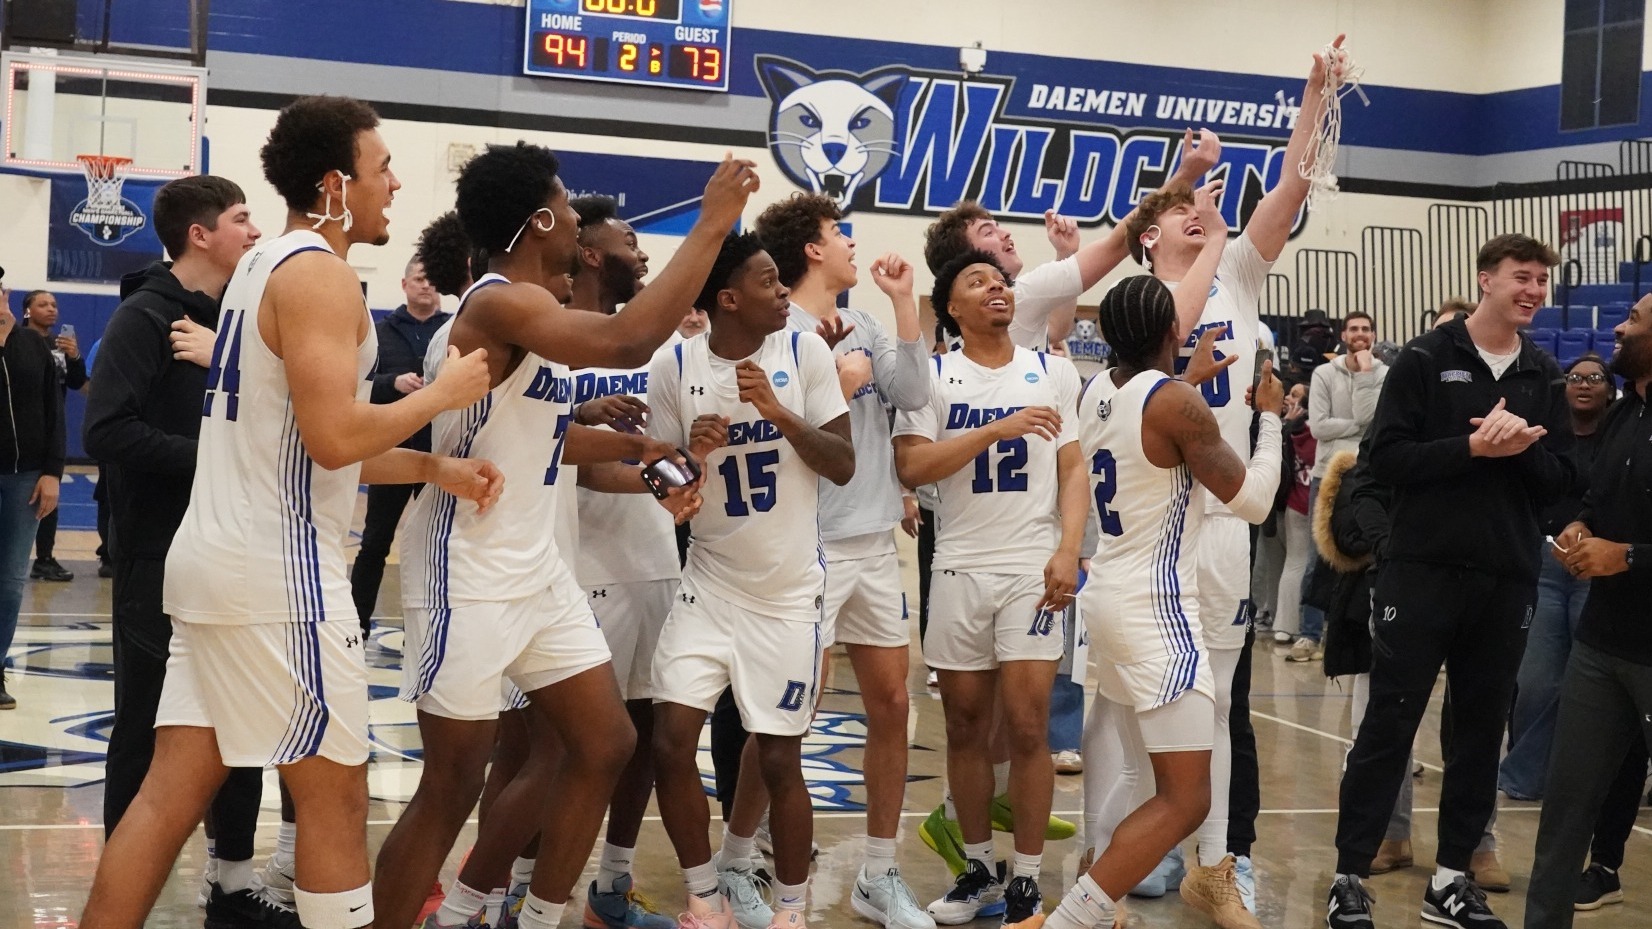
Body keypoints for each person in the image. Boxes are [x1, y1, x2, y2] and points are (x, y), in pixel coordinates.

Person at [77, 94, 502, 929]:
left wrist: (431, 465)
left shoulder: (259, 270)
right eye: (382, 169)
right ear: (337, 185)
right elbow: (336, 434)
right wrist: (444, 394)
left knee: (167, 793)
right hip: (276, 571)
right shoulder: (317, 273)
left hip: (216, 560)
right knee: (336, 792)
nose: (396, 184)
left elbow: (306, 443)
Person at [374, 146, 754, 929]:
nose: (579, 220)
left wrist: (638, 450)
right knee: (452, 783)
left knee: (605, 740)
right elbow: (625, 344)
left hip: (537, 571)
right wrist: (712, 223)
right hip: (466, 570)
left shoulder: (530, 308)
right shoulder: (495, 303)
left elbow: (542, 434)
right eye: (566, 206)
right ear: (542, 218)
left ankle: (538, 916)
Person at [1124, 37, 1350, 917]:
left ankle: (1224, 856)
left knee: (1224, 699)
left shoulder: (1237, 275)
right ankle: (1136, 845)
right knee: (1134, 701)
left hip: (1219, 519)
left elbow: (1292, 183)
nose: (1202, 214)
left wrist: (1317, 96)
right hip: (1143, 523)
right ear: (1148, 237)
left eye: (1204, 208)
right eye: (1181, 210)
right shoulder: (1132, 307)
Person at [1325, 233, 1574, 929]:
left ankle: (1450, 879)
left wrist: (1519, 451)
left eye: (1540, 282)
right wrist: (1471, 446)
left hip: (1506, 580)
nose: (1532, 291)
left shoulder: (1544, 374)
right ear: (1485, 279)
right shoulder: (1425, 360)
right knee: (1389, 725)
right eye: (1521, 277)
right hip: (1421, 573)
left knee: (1478, 734)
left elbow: (1560, 486)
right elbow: (1386, 459)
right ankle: (1349, 876)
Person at [1021, 271, 1282, 929]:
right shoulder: (1174, 403)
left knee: (1135, 773)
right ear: (1175, 330)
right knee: (1187, 797)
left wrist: (1183, 382)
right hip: (1157, 611)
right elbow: (1251, 500)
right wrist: (1272, 417)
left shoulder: (1098, 391)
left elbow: (1150, 435)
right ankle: (1071, 920)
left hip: (1105, 598)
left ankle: (1083, 899)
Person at [80, 174, 294, 926]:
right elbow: (103, 431)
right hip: (157, 558)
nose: (254, 231)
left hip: (230, 555)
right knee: (144, 731)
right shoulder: (145, 316)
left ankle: (232, 886)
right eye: (241, 219)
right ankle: (120, 890)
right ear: (199, 234)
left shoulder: (236, 318)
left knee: (235, 724)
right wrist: (211, 456)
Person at [647, 230, 854, 929]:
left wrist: (778, 412)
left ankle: (791, 909)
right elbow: (664, 482)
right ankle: (705, 894)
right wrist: (690, 458)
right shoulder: (674, 365)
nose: (783, 292)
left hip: (787, 593)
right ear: (728, 298)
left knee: (777, 755)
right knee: (669, 740)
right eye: (768, 282)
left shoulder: (804, 351)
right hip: (709, 583)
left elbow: (844, 462)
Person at [755, 192, 933, 929]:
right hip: (809, 542)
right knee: (788, 710)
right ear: (810, 250)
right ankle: (754, 851)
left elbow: (917, 391)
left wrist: (902, 305)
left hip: (873, 541)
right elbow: (772, 421)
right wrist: (835, 374)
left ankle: (880, 871)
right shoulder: (774, 325)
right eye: (838, 233)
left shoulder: (863, 317)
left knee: (892, 704)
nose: (851, 241)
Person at [893, 250, 1086, 926]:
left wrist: (1069, 548)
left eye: (1000, 279)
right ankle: (979, 870)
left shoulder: (1054, 371)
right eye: (978, 282)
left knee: (1030, 724)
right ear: (952, 307)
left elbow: (1073, 472)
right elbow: (912, 464)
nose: (996, 286)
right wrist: (994, 430)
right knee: (966, 724)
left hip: (1031, 567)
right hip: (957, 565)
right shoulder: (935, 378)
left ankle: (1028, 880)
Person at [1524, 295, 1652, 929]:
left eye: (1635, 321)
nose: (1620, 329)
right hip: (1602, 646)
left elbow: (1627, 545)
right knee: (1565, 809)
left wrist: (1626, 556)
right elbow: (1601, 502)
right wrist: (1581, 526)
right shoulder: (1625, 411)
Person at [923, 129, 1220, 351]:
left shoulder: (960, 317)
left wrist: (1065, 255)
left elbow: (1055, 330)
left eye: (998, 226)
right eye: (988, 232)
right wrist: (1186, 174)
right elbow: (1118, 244)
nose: (1005, 233)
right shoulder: (1022, 294)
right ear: (965, 259)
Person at [1498, 354, 1613, 801]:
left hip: (1599, 568)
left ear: (1608, 388)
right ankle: (1526, 780)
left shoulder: (1621, 435)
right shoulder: (1542, 435)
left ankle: (1578, 777)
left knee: (1587, 681)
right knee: (1539, 681)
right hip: (1543, 564)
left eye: (1595, 378)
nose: (1584, 385)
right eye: (1575, 377)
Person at [348, 257, 452, 630]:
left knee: (438, 547)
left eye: (431, 280)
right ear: (404, 283)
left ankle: (435, 624)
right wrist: (393, 383)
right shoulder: (380, 332)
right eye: (419, 279)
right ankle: (356, 624)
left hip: (440, 455)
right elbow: (357, 389)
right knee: (375, 542)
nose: (426, 286)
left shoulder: (454, 331)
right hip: (390, 453)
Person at [1297, 310, 1386, 658]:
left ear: (1374, 335)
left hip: (1367, 475)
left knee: (1364, 557)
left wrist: (1365, 374)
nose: (1360, 334)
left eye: (1366, 328)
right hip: (1327, 474)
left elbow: (1374, 421)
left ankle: (1351, 633)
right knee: (1316, 557)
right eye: (1354, 329)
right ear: (1344, 334)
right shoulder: (1322, 373)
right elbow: (1318, 427)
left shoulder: (1386, 375)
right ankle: (1309, 634)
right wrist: (1359, 426)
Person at [0, 289, 65, 709]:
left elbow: (53, 410)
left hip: (25, 478)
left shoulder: (31, 345)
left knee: (9, 583)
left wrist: (52, 472)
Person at [19, 289, 83, 582]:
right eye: (43, 304)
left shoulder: (59, 347)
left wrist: (75, 356)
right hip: (20, 430)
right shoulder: (16, 342)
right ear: (27, 310)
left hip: (50, 429)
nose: (51, 309)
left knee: (49, 496)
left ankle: (44, 559)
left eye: (54, 304)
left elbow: (76, 382)